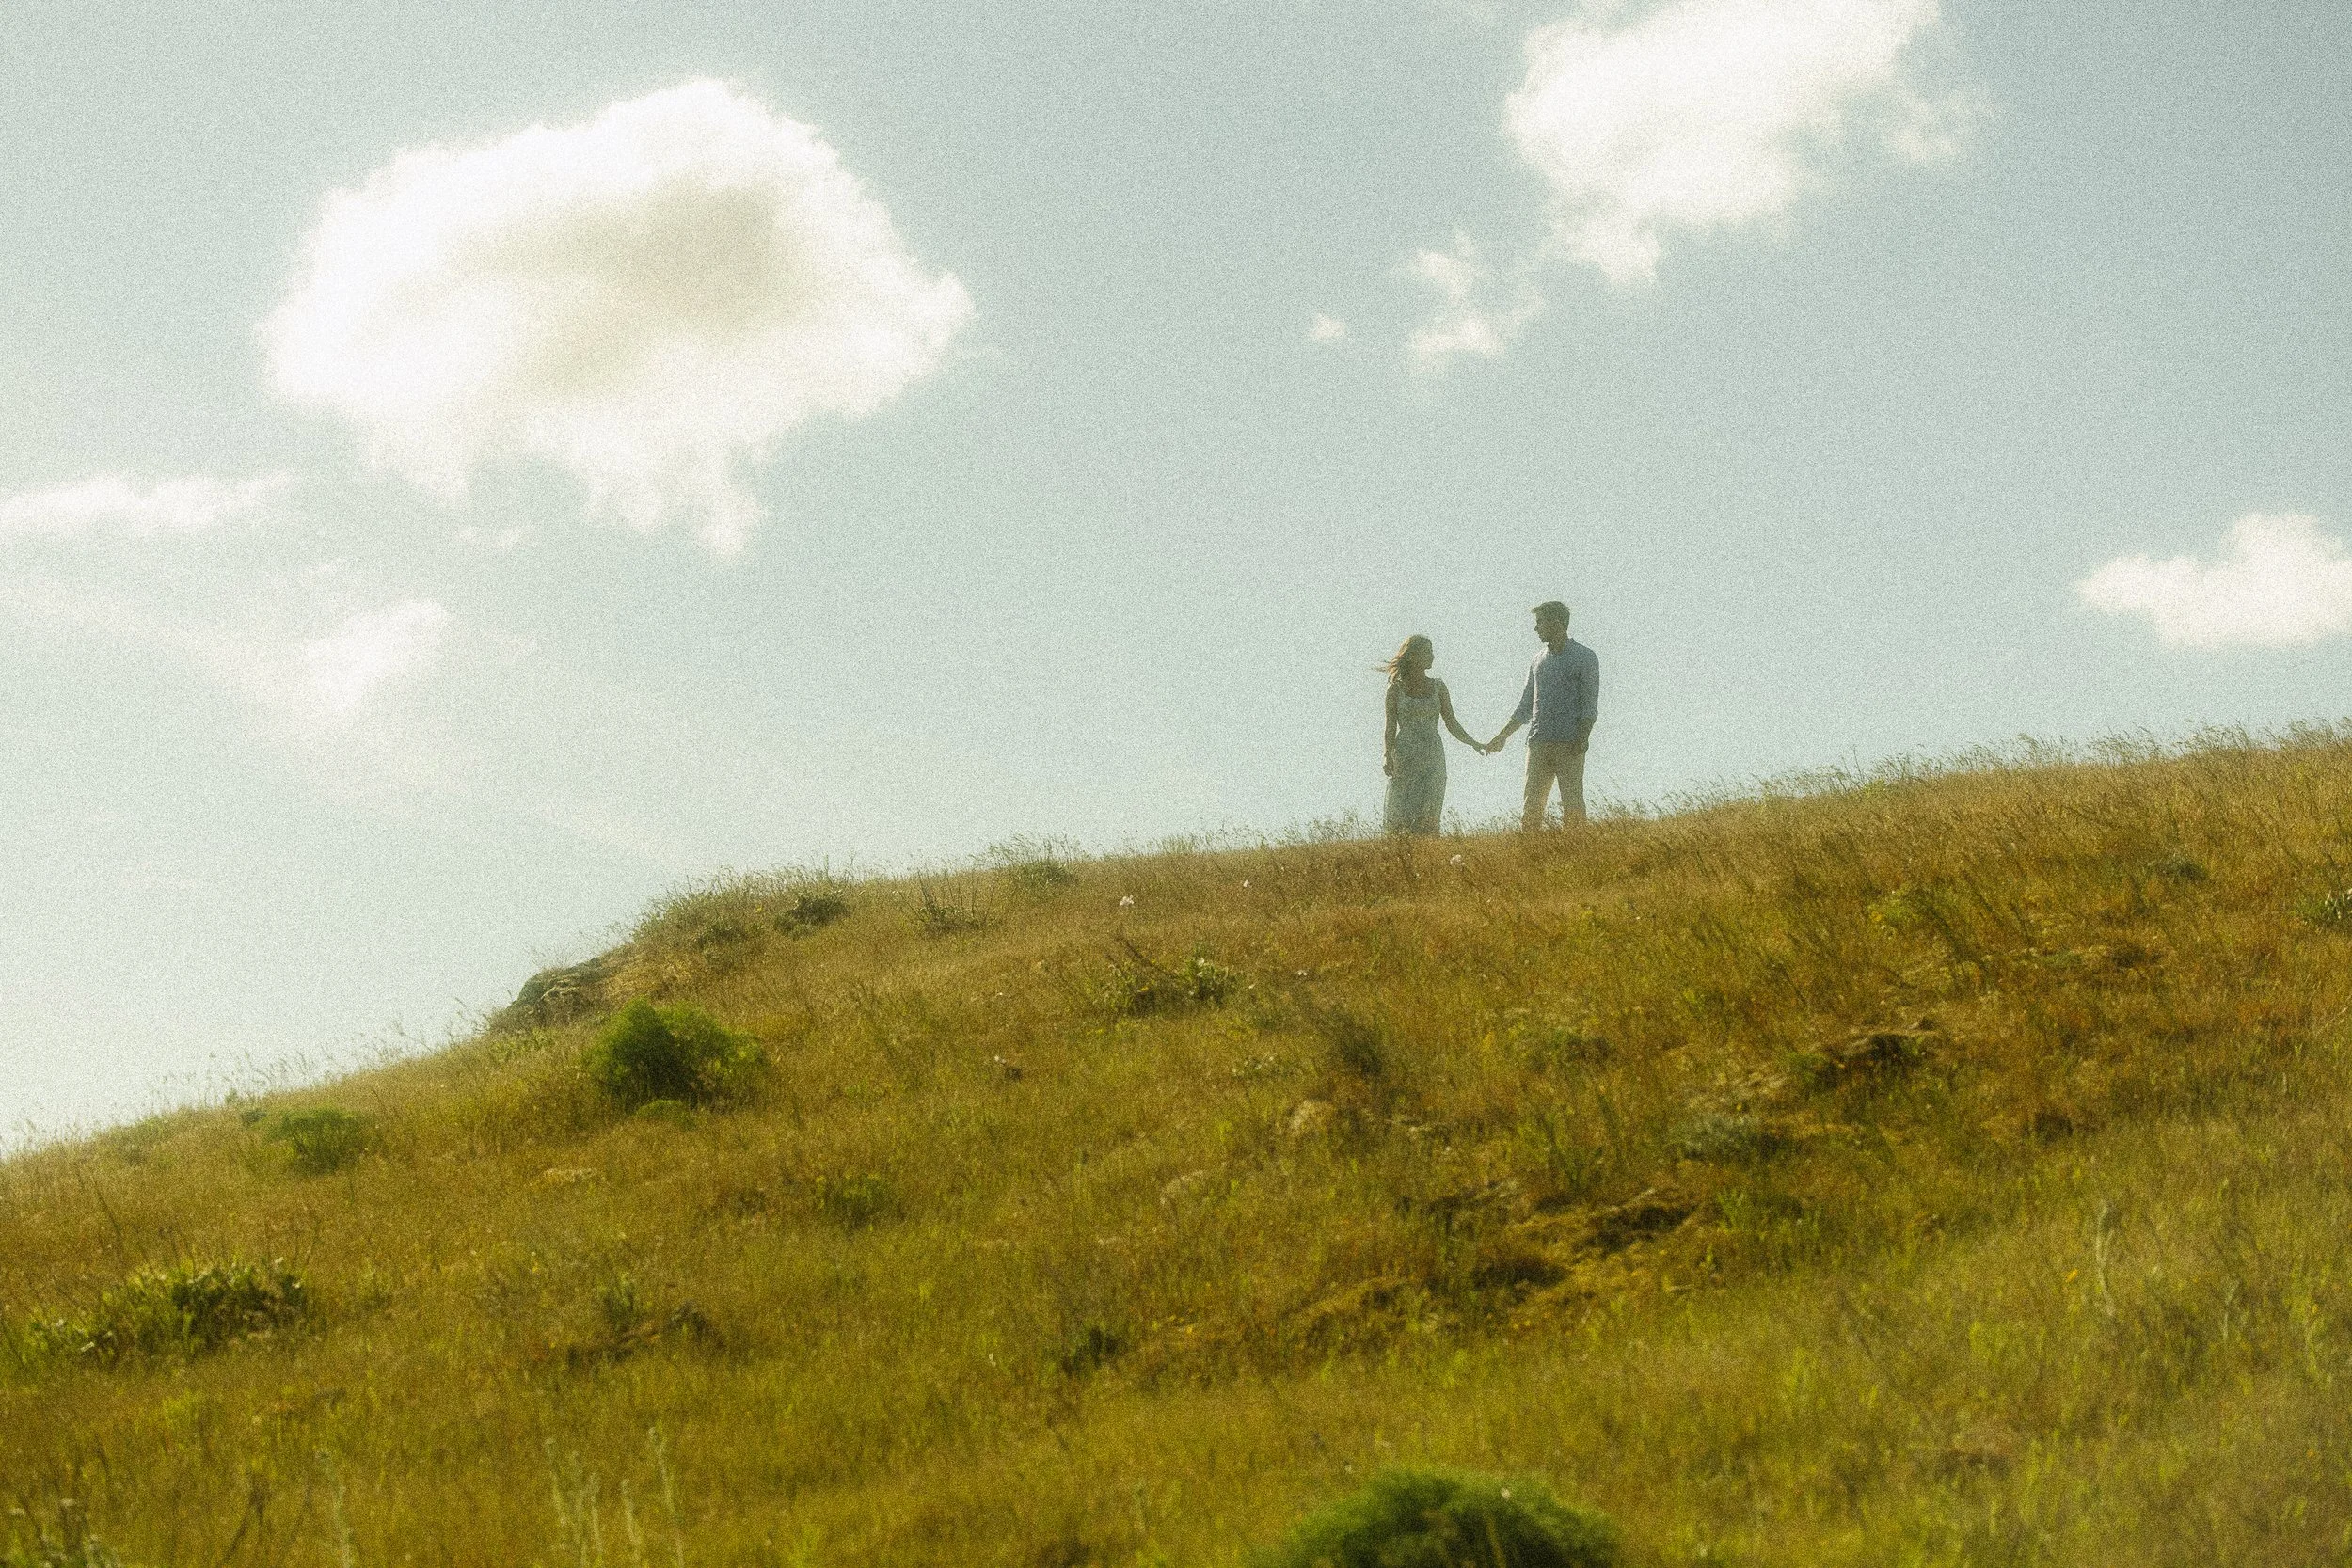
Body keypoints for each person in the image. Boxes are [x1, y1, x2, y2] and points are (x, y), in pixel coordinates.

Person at [1485, 601, 1599, 830]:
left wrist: (1583, 737)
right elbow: (1526, 705)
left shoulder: (1584, 657)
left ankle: (1578, 846)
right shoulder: (1538, 660)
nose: (1536, 628)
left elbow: (1589, 704)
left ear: (1556, 623)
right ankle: (1529, 847)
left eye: (1540, 622)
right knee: (1532, 806)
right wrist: (1502, 736)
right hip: (1538, 742)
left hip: (1570, 742)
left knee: (1573, 804)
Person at [1380, 634, 1485, 835]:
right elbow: (1390, 727)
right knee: (1401, 813)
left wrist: (1473, 742)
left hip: (1433, 754)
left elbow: (1451, 723)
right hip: (1406, 754)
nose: (1432, 656)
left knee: (1429, 811)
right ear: (1412, 656)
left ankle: (1429, 850)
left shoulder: (1438, 687)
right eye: (1427, 652)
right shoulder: (1395, 690)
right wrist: (1387, 755)